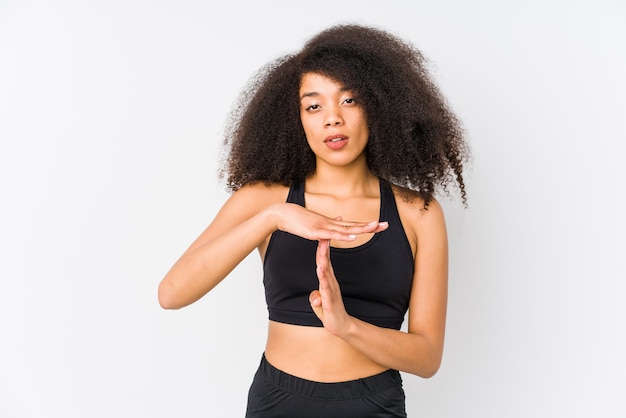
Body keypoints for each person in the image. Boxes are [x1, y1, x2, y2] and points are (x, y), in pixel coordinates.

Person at [158, 23, 469, 417]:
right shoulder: (264, 199)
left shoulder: (418, 212)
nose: (333, 119)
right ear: (296, 120)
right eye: (314, 105)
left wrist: (346, 326)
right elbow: (171, 293)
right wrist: (274, 217)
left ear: (379, 106)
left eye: (350, 100)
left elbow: (427, 358)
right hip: (278, 401)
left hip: (373, 404)